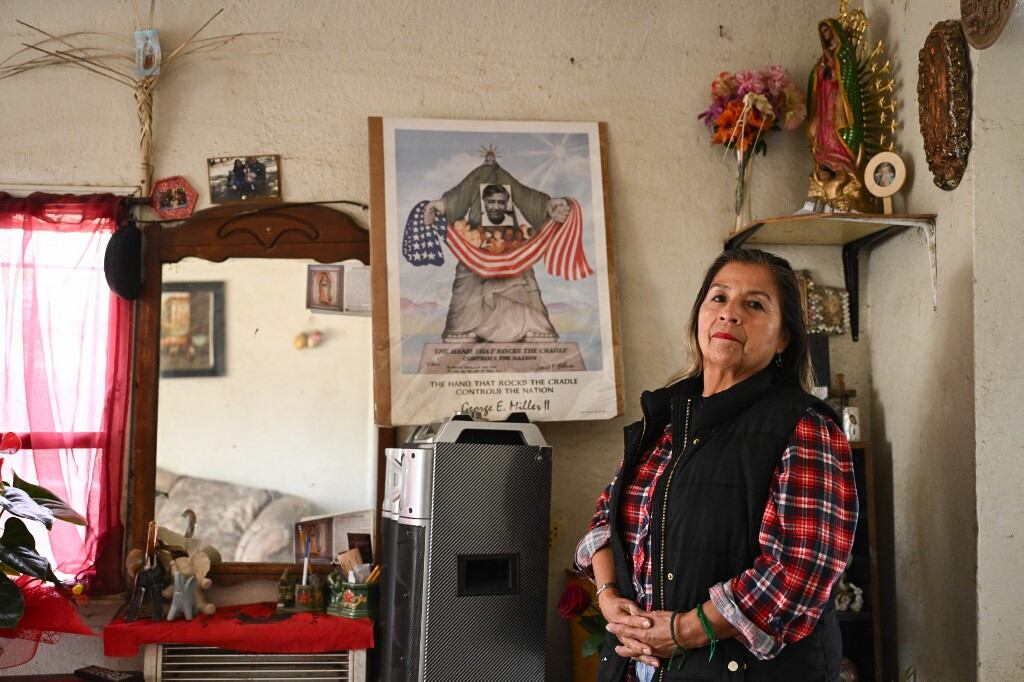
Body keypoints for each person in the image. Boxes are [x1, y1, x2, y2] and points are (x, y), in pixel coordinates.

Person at [574, 249, 858, 681]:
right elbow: (604, 523)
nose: (730, 314)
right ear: (699, 317)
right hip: (636, 666)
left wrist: (683, 630)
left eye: (755, 304)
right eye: (719, 298)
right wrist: (611, 598)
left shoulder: (804, 427)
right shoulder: (666, 422)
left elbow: (800, 571)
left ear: (783, 337)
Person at [422, 160, 569, 344]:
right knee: (468, 280)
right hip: (475, 247)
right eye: (491, 202)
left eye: (500, 202)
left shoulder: (507, 182)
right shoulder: (475, 180)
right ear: (484, 201)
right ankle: (463, 328)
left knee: (521, 280)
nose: (496, 206)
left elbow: (527, 196)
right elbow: (455, 199)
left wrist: (549, 205)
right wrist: (438, 206)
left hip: (512, 247)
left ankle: (532, 326)